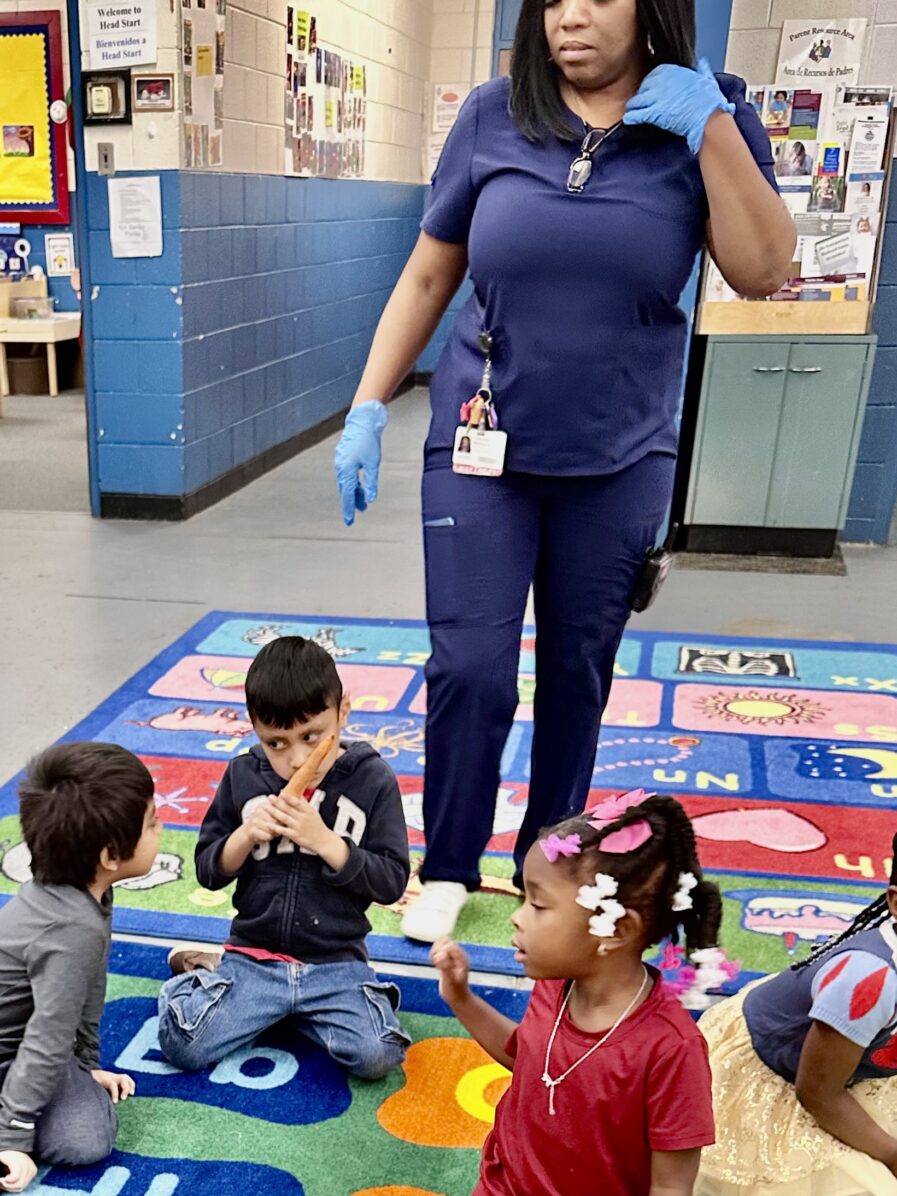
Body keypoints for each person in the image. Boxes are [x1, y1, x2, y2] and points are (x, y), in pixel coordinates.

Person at [334, 0, 796, 943]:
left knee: (578, 672)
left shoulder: (704, 118)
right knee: (471, 666)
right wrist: (368, 402)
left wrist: (709, 126)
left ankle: (548, 859)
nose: (568, 17)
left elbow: (762, 269)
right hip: (483, 445)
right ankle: (451, 862)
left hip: (619, 458)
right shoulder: (492, 115)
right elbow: (430, 273)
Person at [432, 790, 720, 1196]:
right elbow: (527, 1057)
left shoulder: (670, 1050)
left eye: (538, 904)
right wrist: (461, 997)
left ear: (615, 931)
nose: (516, 918)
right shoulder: (554, 984)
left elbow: (671, 1186)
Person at [157, 635, 412, 1080]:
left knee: (378, 1056)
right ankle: (199, 973)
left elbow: (391, 881)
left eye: (312, 737)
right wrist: (243, 837)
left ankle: (280, 1012)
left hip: (336, 965)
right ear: (254, 728)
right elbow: (207, 871)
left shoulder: (373, 780)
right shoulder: (243, 775)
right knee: (184, 1045)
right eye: (276, 743)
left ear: (343, 712)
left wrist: (328, 843)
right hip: (254, 959)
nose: (296, 760)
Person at [0, 743, 160, 1194]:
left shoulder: (78, 894)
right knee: (86, 1138)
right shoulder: (71, 929)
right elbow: (48, 1034)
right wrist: (12, 1136)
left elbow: (86, 993)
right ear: (111, 856)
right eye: (152, 823)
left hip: (22, 1049)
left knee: (79, 1117)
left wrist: (85, 1065)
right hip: (21, 1050)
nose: (161, 829)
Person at [697, 836, 897, 1196]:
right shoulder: (867, 982)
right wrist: (892, 1158)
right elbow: (818, 1093)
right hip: (786, 1084)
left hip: (855, 1062)